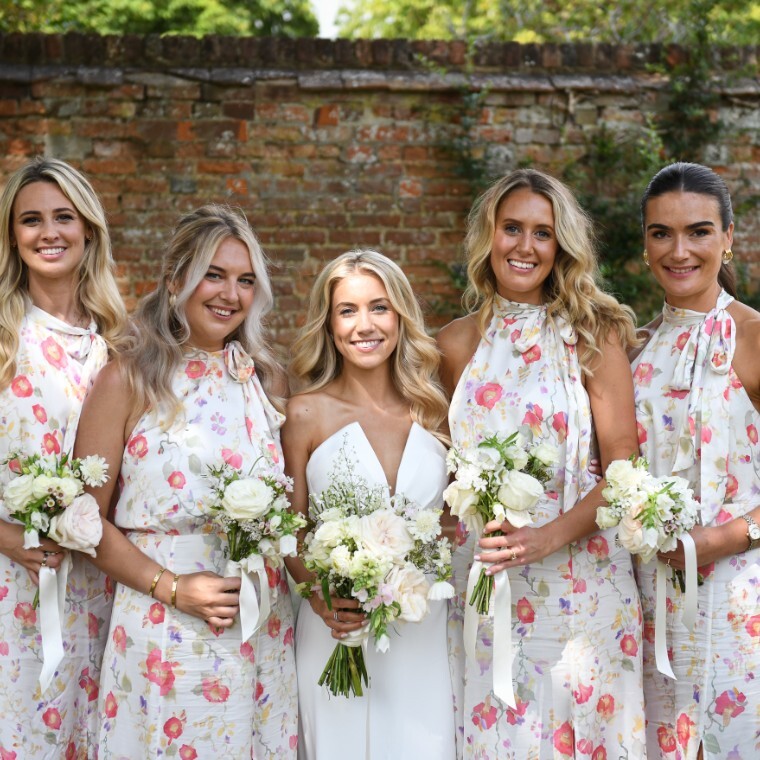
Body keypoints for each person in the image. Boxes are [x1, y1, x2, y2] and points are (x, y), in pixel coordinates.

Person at [73, 205, 298, 757]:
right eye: (213, 275)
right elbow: (81, 520)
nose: (230, 293)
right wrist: (172, 587)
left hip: (260, 629)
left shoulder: (265, 378)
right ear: (176, 279)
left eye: (245, 280)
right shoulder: (128, 376)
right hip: (163, 627)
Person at [438, 168, 646, 757]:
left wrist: (547, 537)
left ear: (561, 248)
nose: (524, 247)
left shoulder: (593, 335)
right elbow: (439, 469)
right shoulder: (453, 344)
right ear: (489, 235)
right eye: (511, 229)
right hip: (486, 586)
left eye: (542, 233)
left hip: (583, 584)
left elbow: (624, 467)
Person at [283, 250, 457, 760]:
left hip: (421, 630)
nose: (365, 325)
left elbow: (449, 522)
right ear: (329, 324)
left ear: (400, 317)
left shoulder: (437, 411)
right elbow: (290, 532)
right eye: (347, 310)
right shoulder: (305, 413)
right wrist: (320, 597)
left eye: (379, 308)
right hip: (338, 628)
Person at [632, 162, 760, 759]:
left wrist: (730, 535)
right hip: (646, 600)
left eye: (699, 232)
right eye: (661, 233)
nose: (678, 250)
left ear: (730, 237)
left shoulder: (753, 337)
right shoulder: (634, 348)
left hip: (738, 598)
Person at [0, 157, 126, 757]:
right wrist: (5, 537)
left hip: (98, 585)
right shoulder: (3, 335)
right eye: (31, 220)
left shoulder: (118, 343)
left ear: (88, 230)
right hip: (11, 581)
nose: (48, 232)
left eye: (62, 217)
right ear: (12, 236)